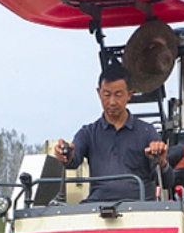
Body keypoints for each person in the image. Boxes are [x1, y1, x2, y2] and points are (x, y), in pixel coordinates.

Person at [54, 65, 172, 202]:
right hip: (97, 208)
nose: (112, 102)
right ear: (99, 93)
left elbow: (167, 182)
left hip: (141, 209)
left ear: (129, 95)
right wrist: (65, 154)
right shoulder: (87, 133)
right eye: (107, 95)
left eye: (118, 95)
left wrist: (162, 162)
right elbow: (72, 161)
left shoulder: (147, 132)